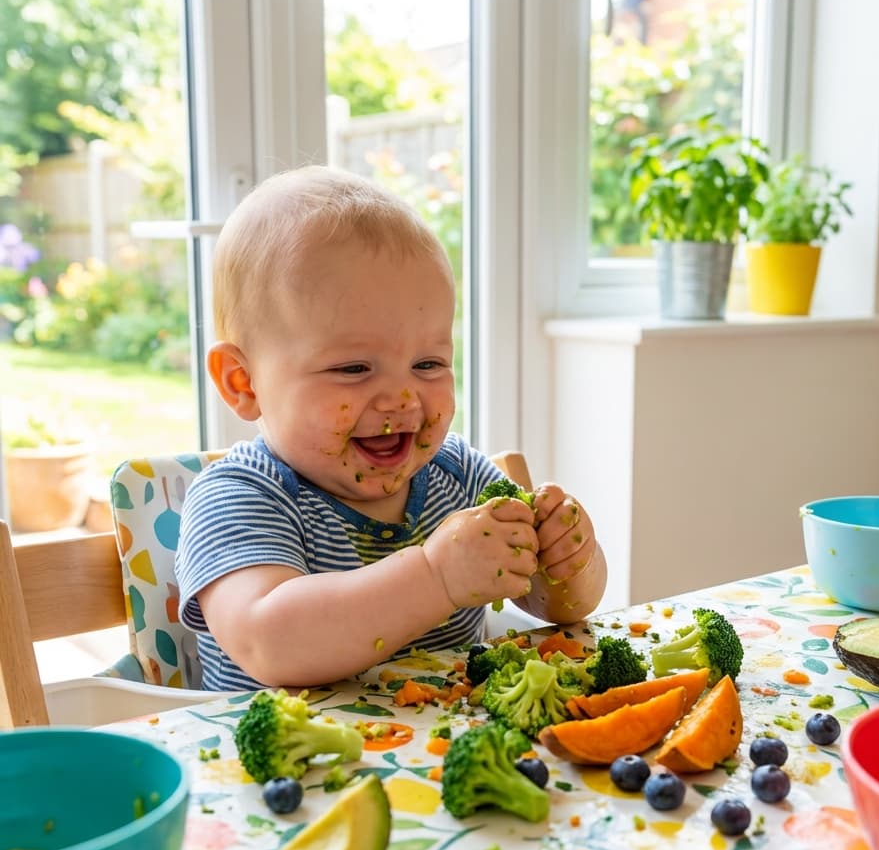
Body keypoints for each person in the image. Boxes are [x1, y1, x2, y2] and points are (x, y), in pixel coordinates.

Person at [175, 165, 607, 691]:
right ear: (243, 383)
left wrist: (568, 563)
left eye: (428, 365)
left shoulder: (460, 476)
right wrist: (436, 576)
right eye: (353, 369)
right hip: (296, 769)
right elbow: (270, 641)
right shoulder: (239, 498)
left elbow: (553, 605)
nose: (403, 399)